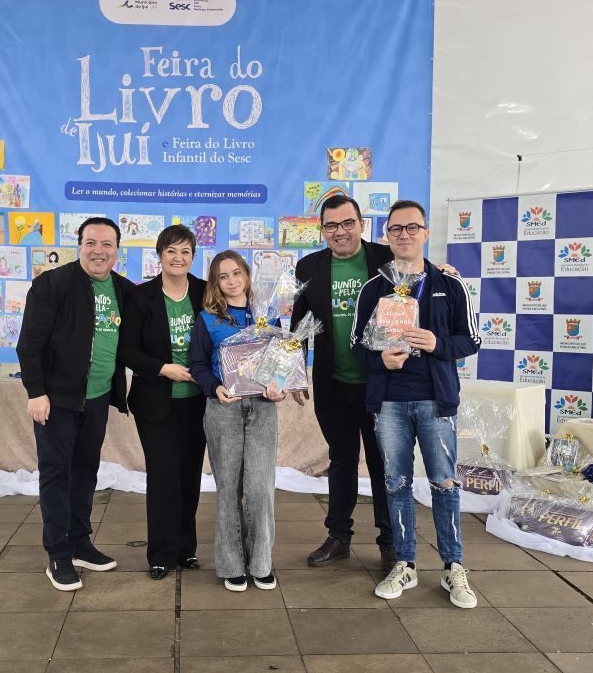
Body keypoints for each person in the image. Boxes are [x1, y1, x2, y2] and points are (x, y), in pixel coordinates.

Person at [351, 200, 480, 607]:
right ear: (386, 236)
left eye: (412, 228)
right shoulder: (373, 289)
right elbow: (357, 346)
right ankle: (404, 563)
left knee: (444, 483)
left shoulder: (449, 284)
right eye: (396, 229)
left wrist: (438, 343)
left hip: (436, 402)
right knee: (396, 483)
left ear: (426, 233)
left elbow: (471, 340)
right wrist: (381, 361)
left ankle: (453, 566)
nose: (404, 235)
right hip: (389, 403)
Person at [16, 216, 132, 592]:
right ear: (79, 245)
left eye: (107, 244)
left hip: (97, 398)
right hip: (56, 400)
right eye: (91, 243)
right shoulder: (52, 284)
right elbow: (29, 344)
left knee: (85, 473)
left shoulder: (123, 289)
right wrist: (36, 392)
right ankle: (59, 553)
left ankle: (80, 543)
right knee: (56, 474)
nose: (99, 251)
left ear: (117, 250)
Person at [290, 194, 396, 573]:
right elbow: (300, 324)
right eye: (331, 225)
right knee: (341, 461)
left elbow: (419, 289)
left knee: (384, 465)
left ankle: (390, 543)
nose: (340, 231)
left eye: (348, 223)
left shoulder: (387, 259)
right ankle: (339, 537)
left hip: (381, 384)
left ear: (361, 224)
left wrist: (443, 272)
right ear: (322, 230)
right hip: (333, 383)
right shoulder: (309, 266)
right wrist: (294, 371)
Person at [189, 251, 287, 592]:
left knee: (260, 488)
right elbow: (198, 365)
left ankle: (261, 563)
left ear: (246, 275)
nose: (231, 281)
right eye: (223, 276)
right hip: (224, 409)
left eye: (236, 273)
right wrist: (214, 388)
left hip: (263, 409)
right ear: (215, 283)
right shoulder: (208, 319)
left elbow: (282, 360)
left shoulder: (267, 315)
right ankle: (231, 565)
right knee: (229, 488)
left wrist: (279, 387)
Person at [119, 225, 207, 580]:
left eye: (185, 251)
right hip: (156, 402)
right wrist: (162, 368)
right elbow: (127, 350)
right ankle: (161, 553)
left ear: (193, 257)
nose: (178, 258)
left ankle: (186, 549)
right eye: (171, 251)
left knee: (190, 476)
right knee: (163, 475)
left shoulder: (204, 291)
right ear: (159, 255)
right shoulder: (142, 297)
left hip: (198, 401)